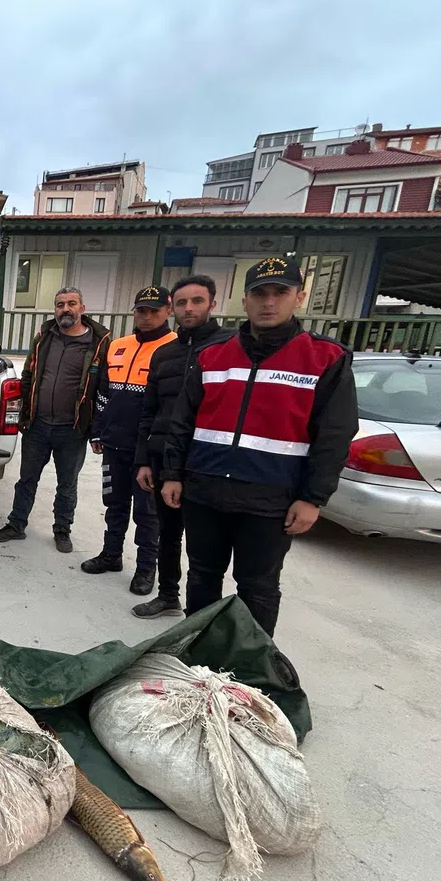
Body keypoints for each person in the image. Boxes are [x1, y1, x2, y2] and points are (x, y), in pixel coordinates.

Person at [160, 257, 357, 636]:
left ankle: (250, 668)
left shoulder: (324, 358)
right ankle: (198, 656)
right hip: (205, 491)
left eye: (280, 292)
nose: (269, 302)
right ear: (245, 300)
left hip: (270, 500)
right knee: (202, 578)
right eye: (259, 293)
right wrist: (173, 474)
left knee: (258, 588)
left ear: (298, 297)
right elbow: (182, 422)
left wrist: (312, 498)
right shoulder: (213, 355)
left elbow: (334, 436)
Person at [131, 275, 235, 619]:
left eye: (197, 301)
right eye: (182, 303)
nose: (188, 309)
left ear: (213, 304)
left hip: (208, 459)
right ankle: (168, 595)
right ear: (173, 307)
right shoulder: (164, 355)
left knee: (207, 543)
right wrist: (145, 460)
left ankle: (201, 612)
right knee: (169, 532)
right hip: (164, 458)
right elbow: (149, 411)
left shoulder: (231, 347)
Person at [0, 287, 111, 552]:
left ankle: (62, 530)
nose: (65, 309)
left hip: (72, 428)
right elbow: (29, 376)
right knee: (26, 479)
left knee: (67, 484)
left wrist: (97, 429)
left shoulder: (98, 344)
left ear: (82, 308)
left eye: (71, 303)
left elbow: (103, 387)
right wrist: (24, 413)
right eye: (59, 304)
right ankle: (16, 524)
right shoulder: (45, 337)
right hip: (38, 424)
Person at [81, 286, 176, 595]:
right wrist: (98, 430)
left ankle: (147, 569)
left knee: (148, 513)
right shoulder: (118, 345)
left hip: (149, 453)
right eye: (141, 310)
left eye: (154, 310)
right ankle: (111, 555)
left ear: (167, 311)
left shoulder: (174, 348)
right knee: (115, 504)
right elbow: (104, 394)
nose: (147, 317)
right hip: (115, 444)